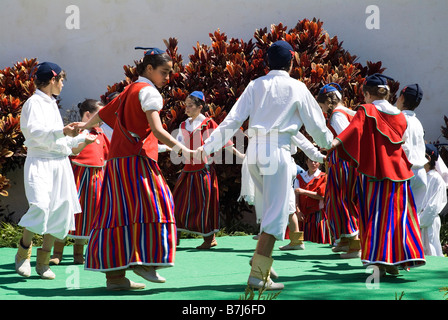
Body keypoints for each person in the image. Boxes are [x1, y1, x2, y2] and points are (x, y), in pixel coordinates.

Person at [194, 40, 333, 290]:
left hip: (254, 152)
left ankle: (260, 261)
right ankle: (258, 275)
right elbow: (316, 127)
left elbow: (232, 120)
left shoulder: (255, 85)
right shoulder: (297, 87)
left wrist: (206, 148)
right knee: (275, 215)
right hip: (277, 152)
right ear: (291, 62)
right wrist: (329, 146)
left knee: (267, 211)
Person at [76, 47, 193, 290]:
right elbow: (159, 130)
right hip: (137, 162)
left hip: (117, 164)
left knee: (115, 215)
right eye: (164, 72)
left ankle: (115, 278)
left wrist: (83, 126)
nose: (167, 78)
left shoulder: (130, 89)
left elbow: (103, 114)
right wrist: (184, 149)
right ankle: (145, 262)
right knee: (158, 205)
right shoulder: (149, 93)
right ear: (149, 68)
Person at [332, 73, 426, 276]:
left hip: (375, 175)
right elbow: (404, 144)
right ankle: (397, 259)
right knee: (398, 218)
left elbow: (353, 130)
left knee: (374, 217)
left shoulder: (366, 110)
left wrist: (334, 143)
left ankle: (378, 263)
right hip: (401, 175)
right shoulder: (400, 115)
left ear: (367, 94)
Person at [15, 62, 91, 279]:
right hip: (40, 162)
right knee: (40, 206)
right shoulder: (33, 103)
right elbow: (34, 133)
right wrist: (62, 131)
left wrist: (80, 139)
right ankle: (23, 253)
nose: (63, 84)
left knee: (60, 210)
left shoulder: (50, 102)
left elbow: (58, 140)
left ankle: (43, 262)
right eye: (61, 80)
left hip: (60, 164)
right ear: (52, 80)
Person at [173, 91, 241, 249]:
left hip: (204, 170)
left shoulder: (209, 123)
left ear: (200, 107)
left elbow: (224, 140)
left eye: (190, 105)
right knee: (177, 202)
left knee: (205, 204)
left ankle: (209, 238)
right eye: (186, 105)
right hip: (187, 170)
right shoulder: (183, 125)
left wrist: (239, 155)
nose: (187, 108)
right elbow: (176, 145)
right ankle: (174, 236)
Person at [50, 99, 110, 265]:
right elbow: (69, 150)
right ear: (88, 115)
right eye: (100, 113)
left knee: (88, 215)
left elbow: (107, 155)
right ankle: (57, 252)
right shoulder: (75, 131)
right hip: (76, 176)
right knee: (68, 211)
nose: (103, 117)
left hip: (96, 178)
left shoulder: (100, 133)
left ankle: (79, 253)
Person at [316, 83, 361, 258]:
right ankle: (344, 238)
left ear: (328, 101)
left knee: (341, 200)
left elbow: (346, 137)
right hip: (346, 162)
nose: (323, 109)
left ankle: (354, 243)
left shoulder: (336, 115)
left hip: (343, 162)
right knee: (337, 200)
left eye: (323, 105)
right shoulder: (349, 112)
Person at [396, 84, 427, 213]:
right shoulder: (417, 121)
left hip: (406, 173)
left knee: (400, 219)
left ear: (401, 98)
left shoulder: (399, 119)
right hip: (420, 173)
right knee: (414, 221)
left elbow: (404, 148)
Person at [294, 157, 331, 244]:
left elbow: (322, 196)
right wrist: (298, 211)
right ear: (306, 162)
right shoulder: (299, 177)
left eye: (316, 161)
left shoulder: (324, 177)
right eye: (311, 161)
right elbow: (296, 196)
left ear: (319, 163)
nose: (313, 163)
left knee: (320, 241)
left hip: (318, 215)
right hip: (303, 215)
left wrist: (304, 191)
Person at [418, 144, 447, 256]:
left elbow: (433, 206)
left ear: (428, 158)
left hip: (428, 223)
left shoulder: (436, 179)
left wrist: (418, 221)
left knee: (430, 249)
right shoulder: (419, 177)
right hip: (418, 221)